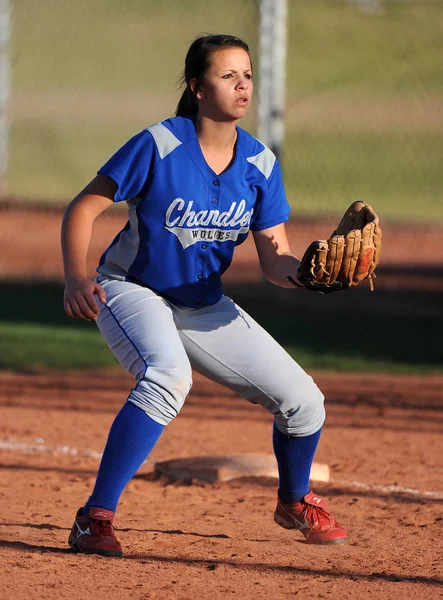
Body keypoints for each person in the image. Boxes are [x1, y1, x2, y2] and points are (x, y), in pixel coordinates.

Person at [61, 33, 347, 557]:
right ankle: (93, 518)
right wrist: (77, 278)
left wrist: (309, 273)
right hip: (131, 288)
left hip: (202, 304)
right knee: (168, 376)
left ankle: (294, 499)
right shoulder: (160, 144)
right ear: (196, 87)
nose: (243, 86)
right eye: (227, 75)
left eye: (248, 76)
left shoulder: (259, 163)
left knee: (305, 402)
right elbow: (83, 207)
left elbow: (274, 261)